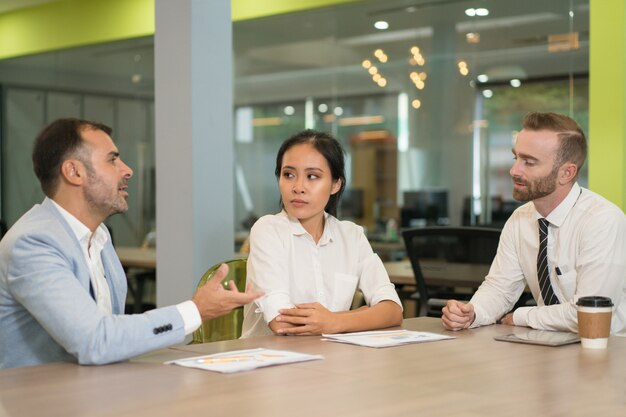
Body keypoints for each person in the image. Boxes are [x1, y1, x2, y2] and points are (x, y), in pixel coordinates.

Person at [0, 118, 263, 368]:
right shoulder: (34, 243)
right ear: (74, 172)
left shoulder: (98, 236)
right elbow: (95, 341)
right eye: (112, 160)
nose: (128, 170)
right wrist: (195, 311)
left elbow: (111, 338)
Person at [442, 112, 626, 333]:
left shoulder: (602, 221)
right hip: (548, 347)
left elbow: (588, 313)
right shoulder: (520, 220)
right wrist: (472, 312)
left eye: (529, 162)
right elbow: (500, 289)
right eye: (516, 158)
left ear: (566, 173)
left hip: (609, 351)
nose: (514, 170)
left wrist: (522, 315)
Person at [241, 129, 403, 337]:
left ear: (336, 184)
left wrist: (335, 320)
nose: (298, 187)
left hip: (331, 359)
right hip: (270, 362)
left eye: (312, 176)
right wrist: (360, 315)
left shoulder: (351, 235)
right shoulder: (267, 230)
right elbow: (283, 324)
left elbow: (392, 311)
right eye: (288, 174)